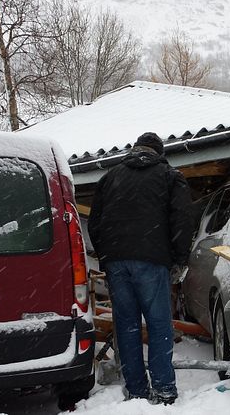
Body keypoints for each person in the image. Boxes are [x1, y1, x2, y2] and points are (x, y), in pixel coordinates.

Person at [88, 132, 192, 405]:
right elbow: (182, 218)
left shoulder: (110, 177)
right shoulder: (169, 176)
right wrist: (180, 259)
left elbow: (95, 222)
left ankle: (136, 389)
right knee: (158, 325)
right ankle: (164, 389)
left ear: (135, 149)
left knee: (126, 325)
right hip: (152, 260)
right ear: (159, 153)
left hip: (116, 261)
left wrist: (106, 256)